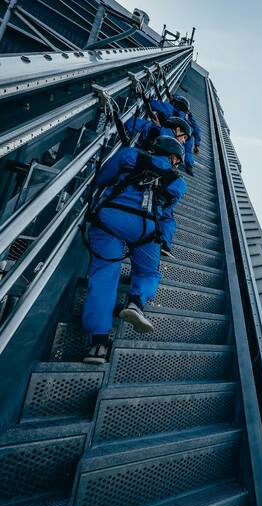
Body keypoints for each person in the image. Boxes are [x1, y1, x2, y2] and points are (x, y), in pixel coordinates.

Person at [82, 136, 187, 364]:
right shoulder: (179, 183)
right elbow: (166, 212)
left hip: (111, 218)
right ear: (174, 157)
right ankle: (136, 303)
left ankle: (98, 343)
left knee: (105, 274)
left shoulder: (130, 154)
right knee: (148, 273)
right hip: (146, 229)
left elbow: (102, 179)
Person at [172, 96, 201, 175]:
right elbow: (197, 130)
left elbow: (178, 120)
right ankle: (189, 166)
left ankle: (173, 161)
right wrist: (197, 145)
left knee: (177, 145)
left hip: (180, 132)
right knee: (188, 151)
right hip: (189, 136)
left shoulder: (179, 111)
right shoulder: (191, 117)